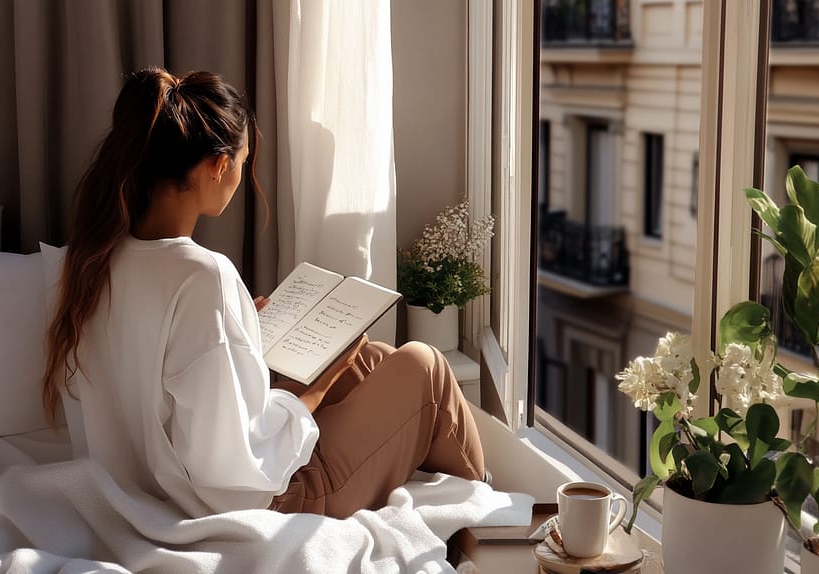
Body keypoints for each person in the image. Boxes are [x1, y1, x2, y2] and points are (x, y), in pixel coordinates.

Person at [41, 68, 486, 520]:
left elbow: (159, 368)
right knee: (426, 367)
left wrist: (240, 333)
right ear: (218, 166)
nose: (241, 175)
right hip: (260, 500)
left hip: (150, 478)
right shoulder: (202, 276)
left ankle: (442, 480)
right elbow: (233, 471)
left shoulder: (96, 259)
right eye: (243, 160)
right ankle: (487, 516)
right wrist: (311, 393)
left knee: (371, 360)